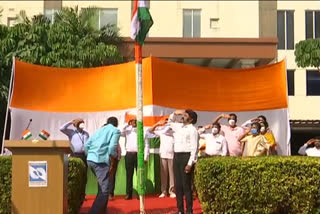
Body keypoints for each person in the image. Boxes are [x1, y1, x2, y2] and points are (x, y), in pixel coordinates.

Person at [84, 117, 120, 214]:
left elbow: (86, 145)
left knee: (102, 187)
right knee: (105, 191)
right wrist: (113, 161)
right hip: (101, 162)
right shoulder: (115, 130)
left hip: (90, 160)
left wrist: (90, 155)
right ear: (116, 124)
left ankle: (102, 211)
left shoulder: (98, 131)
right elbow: (112, 147)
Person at [167, 109, 199, 214]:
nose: (183, 116)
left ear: (191, 119)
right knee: (178, 185)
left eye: (185, 115)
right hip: (177, 156)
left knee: (186, 185)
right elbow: (169, 122)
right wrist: (174, 113)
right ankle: (180, 210)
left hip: (186, 156)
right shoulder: (178, 126)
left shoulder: (193, 130)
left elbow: (194, 148)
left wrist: (190, 163)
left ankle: (189, 210)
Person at [121, 118, 149, 200]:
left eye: (136, 121)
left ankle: (140, 193)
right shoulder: (127, 131)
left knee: (140, 175)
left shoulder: (143, 131)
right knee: (129, 175)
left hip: (139, 155)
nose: (134, 122)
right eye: (132, 121)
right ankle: (128, 194)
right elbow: (120, 131)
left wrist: (145, 157)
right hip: (129, 155)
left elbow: (147, 145)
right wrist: (127, 123)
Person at [147, 118, 176, 198]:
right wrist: (158, 124)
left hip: (172, 155)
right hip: (163, 154)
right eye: (166, 122)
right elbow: (150, 131)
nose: (167, 123)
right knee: (163, 174)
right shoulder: (162, 132)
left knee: (172, 174)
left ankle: (172, 191)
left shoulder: (174, 132)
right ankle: (163, 191)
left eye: (168, 122)